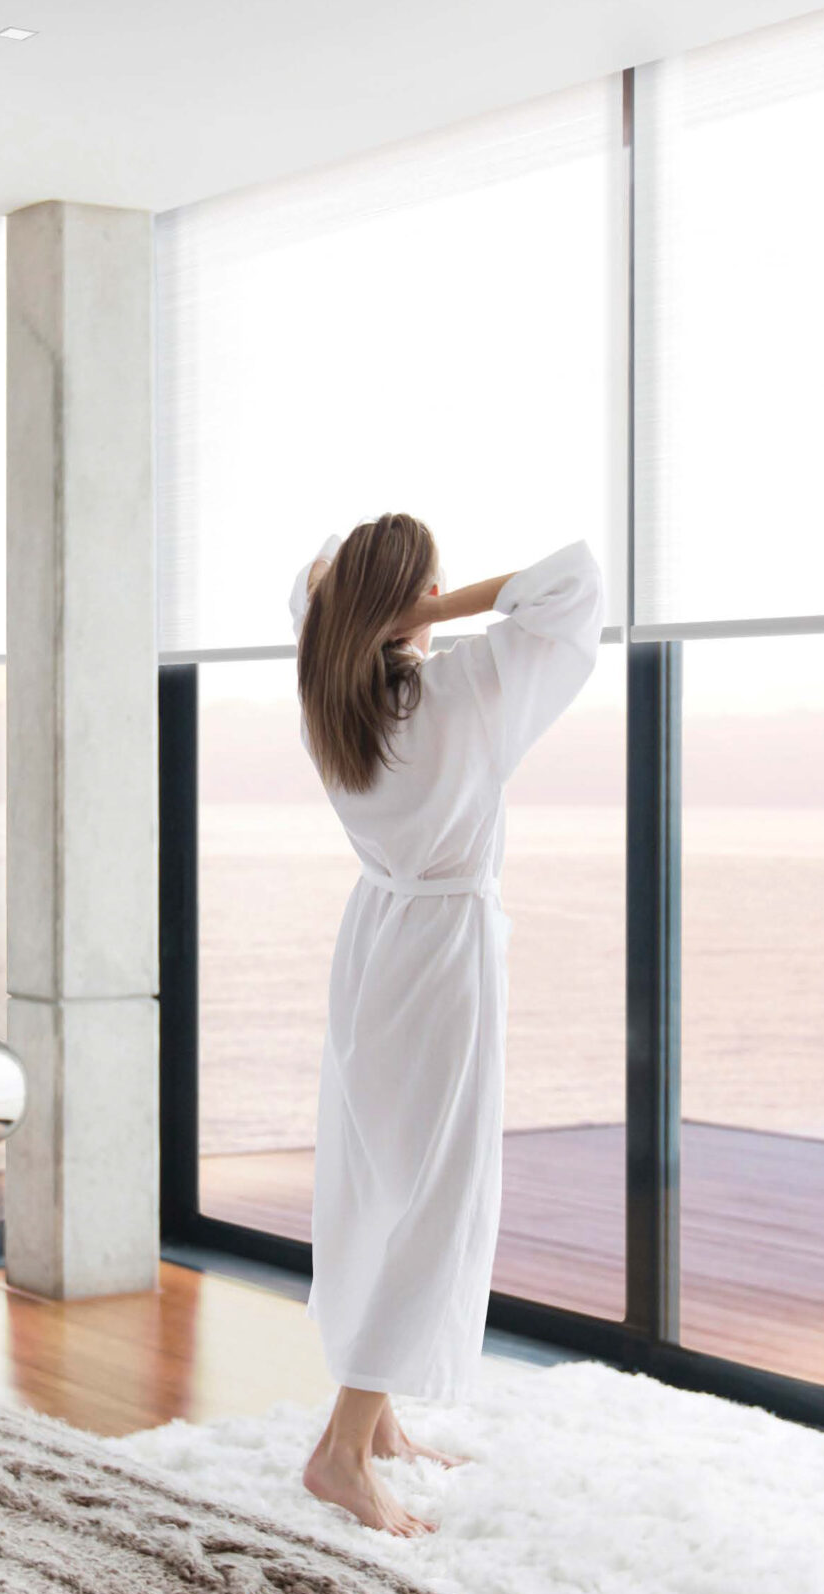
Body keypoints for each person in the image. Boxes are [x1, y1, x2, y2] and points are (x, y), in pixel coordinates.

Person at [285, 512, 604, 1535]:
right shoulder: (461, 693)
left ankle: (375, 1423)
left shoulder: (330, 693)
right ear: (411, 602)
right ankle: (341, 1446)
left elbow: (310, 584)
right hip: (444, 956)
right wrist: (429, 611)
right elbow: (575, 581)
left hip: (373, 940)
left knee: (381, 1176)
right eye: (431, 590)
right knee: (439, 1194)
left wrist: (380, 608)